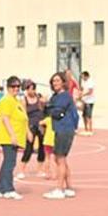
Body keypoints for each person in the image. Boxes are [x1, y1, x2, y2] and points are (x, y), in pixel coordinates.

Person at [43, 72, 78, 200]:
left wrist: (48, 106)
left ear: (63, 82)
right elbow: (48, 110)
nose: (55, 83)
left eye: (57, 81)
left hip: (64, 129)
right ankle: (68, 187)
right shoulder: (56, 96)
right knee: (61, 159)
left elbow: (57, 111)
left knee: (60, 159)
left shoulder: (64, 96)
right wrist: (47, 106)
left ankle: (59, 189)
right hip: (61, 129)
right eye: (53, 81)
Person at [0, 76, 28, 200]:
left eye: (18, 86)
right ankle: (8, 188)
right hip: (8, 137)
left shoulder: (15, 101)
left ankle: (1, 188)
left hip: (15, 136)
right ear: (8, 87)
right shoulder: (6, 100)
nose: (16, 89)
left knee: (7, 162)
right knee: (10, 163)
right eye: (13, 86)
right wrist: (12, 135)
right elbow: (5, 118)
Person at [20, 80, 46, 177]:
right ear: (26, 90)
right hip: (31, 125)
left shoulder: (39, 98)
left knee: (42, 148)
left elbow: (44, 109)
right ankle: (22, 170)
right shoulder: (24, 100)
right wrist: (27, 130)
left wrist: (44, 102)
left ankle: (40, 169)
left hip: (41, 125)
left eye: (34, 89)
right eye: (30, 89)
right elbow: (24, 116)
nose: (32, 91)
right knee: (29, 147)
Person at [80, 71, 95, 135]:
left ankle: (90, 129)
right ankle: (86, 128)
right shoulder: (84, 82)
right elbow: (82, 89)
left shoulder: (90, 82)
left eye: (83, 76)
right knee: (84, 115)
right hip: (84, 101)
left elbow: (90, 91)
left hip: (89, 101)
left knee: (89, 116)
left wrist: (82, 95)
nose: (82, 78)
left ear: (86, 76)